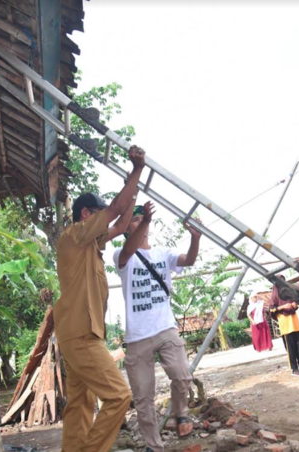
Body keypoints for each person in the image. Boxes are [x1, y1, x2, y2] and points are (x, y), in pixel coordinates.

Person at [53, 145, 145, 452]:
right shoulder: (75, 235)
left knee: (79, 406)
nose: (102, 223)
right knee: (119, 396)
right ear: (86, 215)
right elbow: (116, 212)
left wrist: (135, 194)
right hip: (81, 336)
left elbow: (120, 224)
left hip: (80, 334)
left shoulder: (90, 243)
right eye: (98, 215)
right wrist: (136, 171)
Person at [113, 201, 202, 452]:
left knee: (182, 373)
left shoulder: (163, 254)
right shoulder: (122, 257)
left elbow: (190, 259)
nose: (140, 221)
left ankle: (181, 413)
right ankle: (154, 446)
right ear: (126, 229)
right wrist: (147, 222)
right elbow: (129, 250)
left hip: (166, 329)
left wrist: (195, 238)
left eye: (142, 218)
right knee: (143, 398)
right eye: (134, 219)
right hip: (137, 338)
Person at [270, 280, 299, 376]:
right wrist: (283, 306)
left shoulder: (289, 292)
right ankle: (294, 369)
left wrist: (294, 305)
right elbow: (271, 309)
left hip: (294, 321)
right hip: (285, 323)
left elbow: (297, 302)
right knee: (290, 347)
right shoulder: (274, 295)